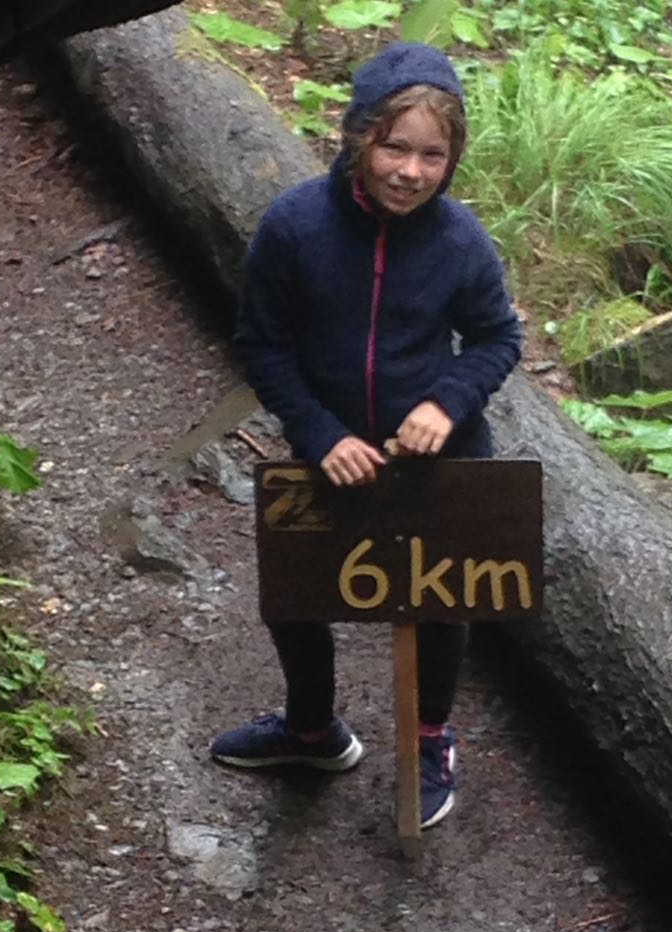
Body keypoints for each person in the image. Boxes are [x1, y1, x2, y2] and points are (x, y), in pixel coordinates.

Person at [211, 41, 523, 828]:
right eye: (394, 148)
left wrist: (447, 403)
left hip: (439, 459)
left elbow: (496, 338)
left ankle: (429, 736)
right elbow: (263, 344)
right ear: (358, 138)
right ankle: (312, 730)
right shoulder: (294, 227)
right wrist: (319, 433)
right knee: (294, 592)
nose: (410, 172)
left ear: (452, 160)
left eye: (432, 156)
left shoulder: (460, 240)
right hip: (329, 452)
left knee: (439, 604)